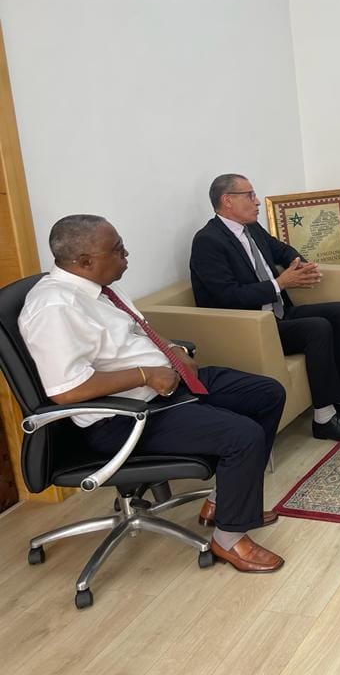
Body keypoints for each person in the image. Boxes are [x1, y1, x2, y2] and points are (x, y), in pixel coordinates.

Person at [19, 215, 287, 572]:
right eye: (117, 250)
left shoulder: (101, 287)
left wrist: (173, 350)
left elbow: (136, 333)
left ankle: (226, 503)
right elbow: (67, 390)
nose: (126, 254)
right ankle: (229, 539)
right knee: (242, 436)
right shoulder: (54, 308)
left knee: (266, 393)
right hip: (123, 417)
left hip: (163, 386)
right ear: (84, 261)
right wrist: (146, 374)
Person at [190, 174, 340, 443]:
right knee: (317, 328)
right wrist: (280, 283)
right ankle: (324, 418)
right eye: (250, 195)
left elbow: (280, 249)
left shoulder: (251, 228)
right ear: (228, 200)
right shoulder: (208, 241)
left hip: (278, 314)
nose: (257, 201)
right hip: (251, 327)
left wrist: (299, 264)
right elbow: (228, 295)